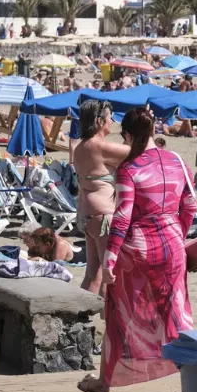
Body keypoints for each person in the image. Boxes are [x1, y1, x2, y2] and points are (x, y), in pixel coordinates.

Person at [77, 107, 197, 392]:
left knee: (119, 314)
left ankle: (104, 384)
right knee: (176, 316)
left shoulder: (129, 169)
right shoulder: (177, 161)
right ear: (155, 129)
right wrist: (177, 234)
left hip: (137, 249)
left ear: (128, 135)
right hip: (172, 244)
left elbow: (122, 218)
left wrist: (110, 260)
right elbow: (191, 205)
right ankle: (190, 389)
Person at [72, 100, 131, 296]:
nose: (113, 121)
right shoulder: (99, 146)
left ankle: (80, 318)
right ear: (99, 121)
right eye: (110, 117)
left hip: (87, 216)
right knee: (109, 274)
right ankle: (108, 322)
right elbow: (140, 153)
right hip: (103, 216)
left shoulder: (81, 147)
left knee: (92, 274)